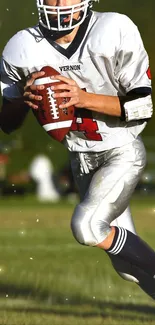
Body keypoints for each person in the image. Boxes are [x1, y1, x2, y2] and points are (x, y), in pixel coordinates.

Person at [0, 0, 154, 299]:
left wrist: (82, 98)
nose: (59, 4)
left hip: (120, 149)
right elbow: (7, 123)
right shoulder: (22, 45)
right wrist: (23, 96)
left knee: (87, 227)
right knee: (128, 269)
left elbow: (143, 107)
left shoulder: (112, 28)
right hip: (81, 158)